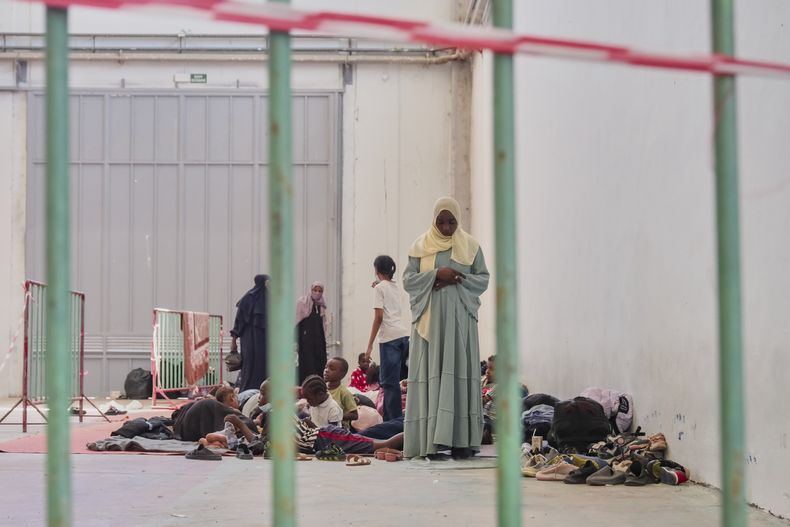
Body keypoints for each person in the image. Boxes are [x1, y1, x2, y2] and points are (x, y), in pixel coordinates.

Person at [403, 197, 490, 459]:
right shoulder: (420, 246)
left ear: (458, 220)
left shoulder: (471, 246)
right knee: (432, 374)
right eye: (440, 221)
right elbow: (408, 280)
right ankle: (430, 442)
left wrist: (456, 278)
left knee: (458, 372)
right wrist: (435, 275)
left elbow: (483, 278)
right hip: (430, 325)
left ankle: (462, 440)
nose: (446, 226)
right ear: (433, 220)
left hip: (459, 322)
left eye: (451, 221)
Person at [365, 255, 410, 421]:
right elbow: (387, 290)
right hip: (403, 336)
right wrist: (378, 285)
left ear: (376, 271)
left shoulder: (379, 288)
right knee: (396, 382)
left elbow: (379, 317)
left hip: (389, 338)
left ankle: (392, 423)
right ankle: (397, 421)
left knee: (389, 384)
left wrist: (369, 345)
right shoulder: (396, 287)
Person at [231, 274, 269, 391]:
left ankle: (264, 391)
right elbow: (239, 320)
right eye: (267, 283)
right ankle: (248, 392)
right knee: (250, 367)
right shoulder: (248, 298)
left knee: (264, 366)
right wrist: (234, 340)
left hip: (264, 342)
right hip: (250, 341)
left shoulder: (270, 300)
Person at [296, 282, 328, 384]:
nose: (317, 293)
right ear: (311, 290)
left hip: (318, 341)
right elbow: (297, 323)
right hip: (306, 342)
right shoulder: (302, 303)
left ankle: (318, 387)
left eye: (320, 291)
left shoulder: (321, 305)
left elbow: (322, 325)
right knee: (307, 366)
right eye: (315, 290)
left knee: (320, 364)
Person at [323, 357, 358, 426]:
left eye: (332, 369)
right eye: (326, 367)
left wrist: (337, 417)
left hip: (339, 429)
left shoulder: (344, 392)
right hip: (323, 425)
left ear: (342, 374)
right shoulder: (322, 389)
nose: (326, 370)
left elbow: (355, 415)